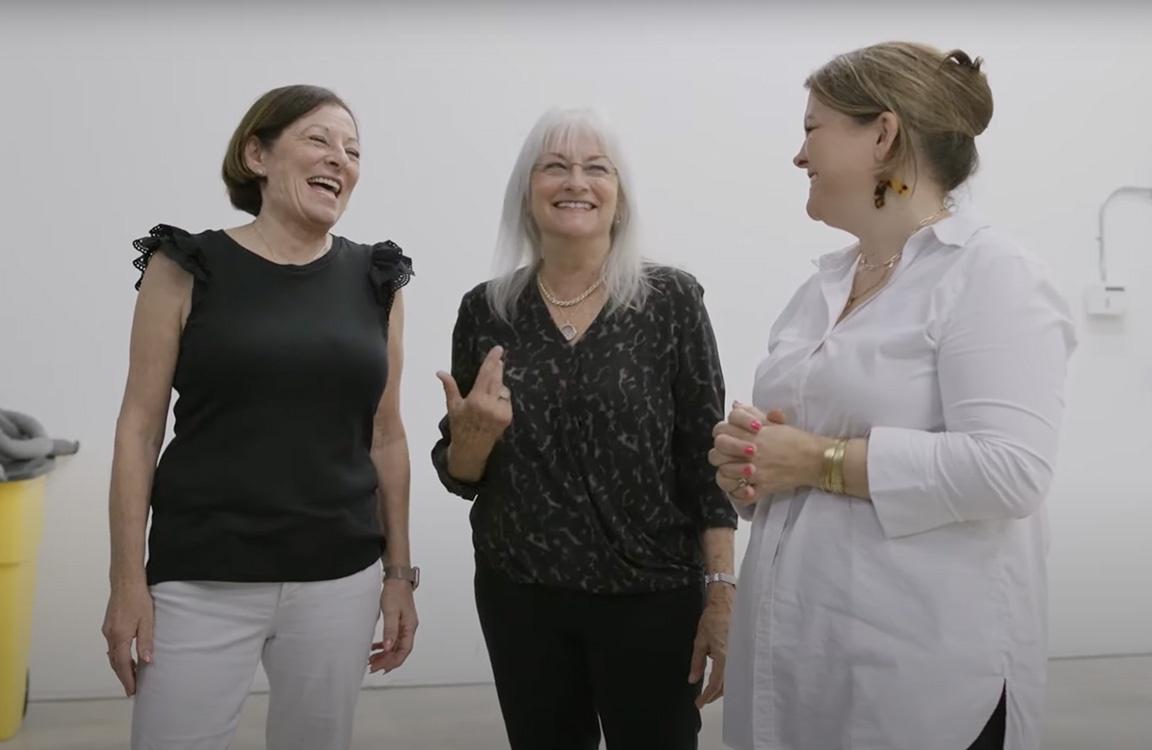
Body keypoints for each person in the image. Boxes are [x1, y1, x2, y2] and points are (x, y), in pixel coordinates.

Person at [710, 43, 1077, 750]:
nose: (797, 155)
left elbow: (1012, 470)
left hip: (922, 679)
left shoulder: (992, 275)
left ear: (881, 135)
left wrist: (816, 458)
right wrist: (748, 470)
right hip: (799, 660)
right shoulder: (819, 287)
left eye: (813, 128)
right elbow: (790, 467)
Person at [101, 84, 417, 750]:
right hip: (201, 575)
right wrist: (127, 580)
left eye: (353, 150)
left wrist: (398, 575)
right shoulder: (186, 266)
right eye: (318, 139)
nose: (341, 159)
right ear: (257, 154)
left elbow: (386, 437)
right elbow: (138, 428)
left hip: (340, 577)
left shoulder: (376, 280)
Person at [431, 108, 737, 750]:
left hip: (651, 594)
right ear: (527, 191)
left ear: (619, 196)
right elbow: (462, 476)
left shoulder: (671, 301)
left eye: (596, 168)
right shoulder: (486, 310)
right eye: (555, 167)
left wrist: (721, 593)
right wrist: (473, 440)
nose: (577, 181)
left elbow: (703, 461)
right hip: (521, 594)